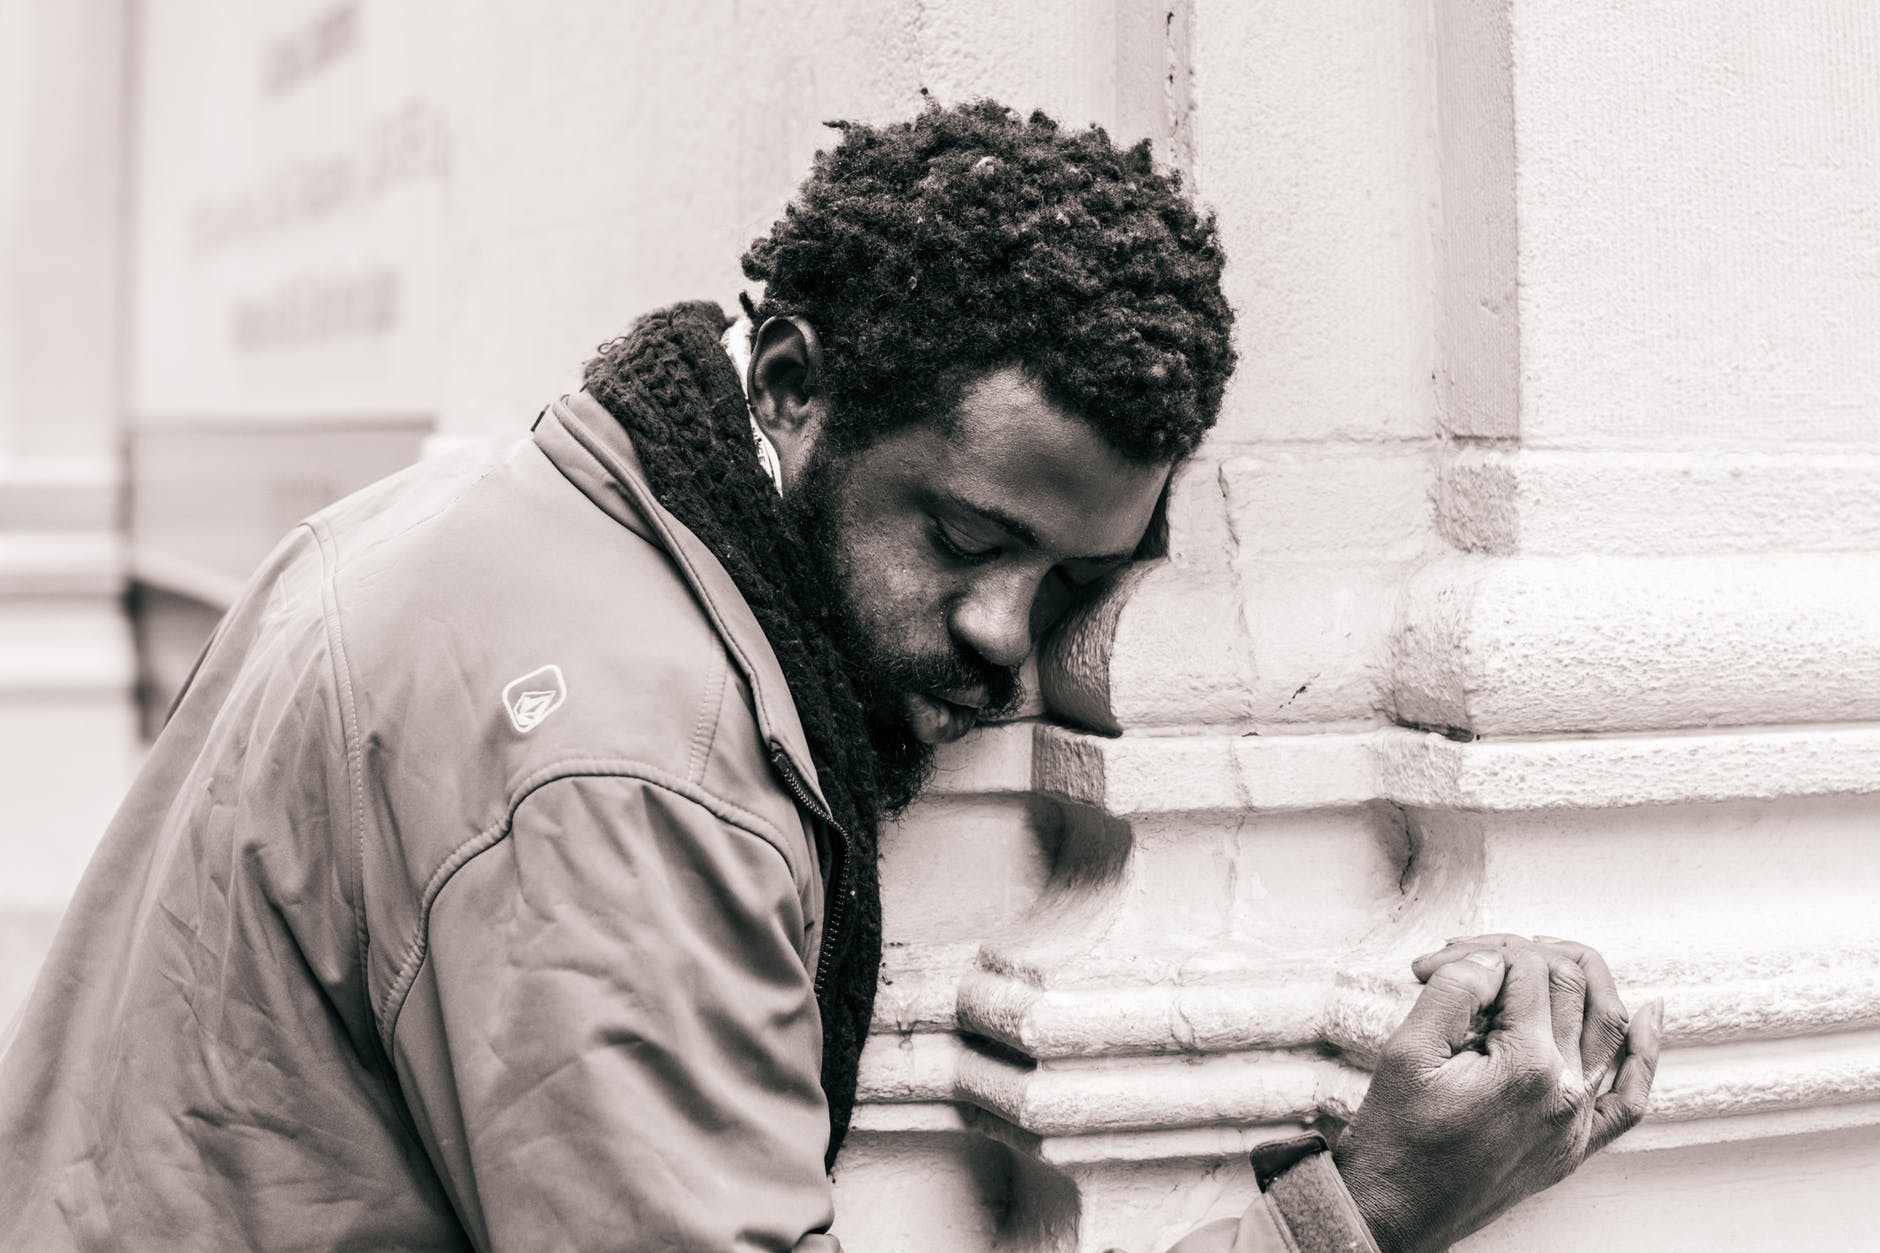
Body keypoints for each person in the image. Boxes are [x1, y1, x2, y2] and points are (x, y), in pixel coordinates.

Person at [0, 100, 1658, 1251]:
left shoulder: (508, 521)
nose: (1004, 637)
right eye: (964, 537)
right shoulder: (630, 768)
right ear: (793, 387)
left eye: (1072, 584)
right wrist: (1358, 1210)